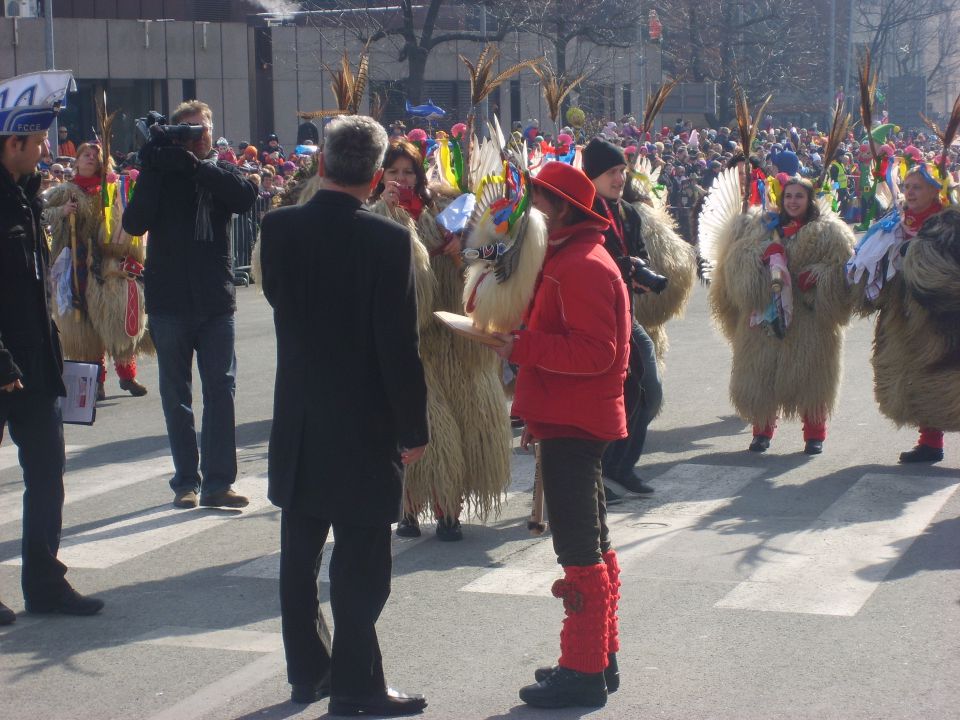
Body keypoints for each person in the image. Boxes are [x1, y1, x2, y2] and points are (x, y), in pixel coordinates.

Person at [259, 115, 429, 717]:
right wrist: (414, 427)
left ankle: (309, 671)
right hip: (366, 419)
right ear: (379, 177)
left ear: (322, 165)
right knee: (362, 561)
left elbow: (280, 298)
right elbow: (398, 345)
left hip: (302, 412)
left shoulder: (278, 227)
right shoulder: (387, 241)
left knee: (299, 554)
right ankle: (356, 684)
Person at [493, 161, 630, 709]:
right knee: (592, 543)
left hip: (579, 420)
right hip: (568, 418)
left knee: (578, 550)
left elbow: (598, 354)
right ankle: (598, 657)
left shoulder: (580, 265)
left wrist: (521, 348)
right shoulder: (568, 257)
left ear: (563, 209)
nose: (530, 212)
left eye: (539, 202)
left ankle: (582, 670)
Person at [0, 71, 103, 624]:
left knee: (46, 474)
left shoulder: (24, 197)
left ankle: (44, 581)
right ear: (12, 142)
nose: (47, 151)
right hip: (2, 366)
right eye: (38, 142)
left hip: (36, 366)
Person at [369, 139, 511, 541]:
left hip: (456, 340)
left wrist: (457, 251)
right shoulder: (374, 218)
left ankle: (450, 509)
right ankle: (409, 508)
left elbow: (490, 258)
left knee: (466, 426)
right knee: (425, 427)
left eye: (408, 172)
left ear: (419, 175)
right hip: (414, 345)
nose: (401, 179)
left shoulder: (446, 210)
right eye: (393, 171)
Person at [122, 99, 257, 509]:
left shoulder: (221, 170)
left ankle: (219, 483)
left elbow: (244, 197)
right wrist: (155, 167)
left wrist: (198, 167)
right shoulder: (160, 173)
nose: (196, 137)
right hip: (169, 302)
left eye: (201, 130)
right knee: (175, 395)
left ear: (212, 133)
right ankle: (186, 481)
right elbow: (134, 223)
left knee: (221, 390)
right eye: (186, 131)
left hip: (215, 301)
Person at [709, 175, 856, 453]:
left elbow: (845, 270)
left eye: (799, 196)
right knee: (762, 377)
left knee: (812, 378)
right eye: (788, 196)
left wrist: (819, 278)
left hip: (810, 320)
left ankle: (815, 434)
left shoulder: (830, 234)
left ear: (810, 199)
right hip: (765, 318)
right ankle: (762, 431)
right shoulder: (762, 229)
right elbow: (736, 265)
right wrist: (764, 254)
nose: (793, 201)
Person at [847, 163, 959, 463]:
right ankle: (930, 441)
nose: (909, 192)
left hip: (942, 318)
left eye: (917, 187)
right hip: (902, 311)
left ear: (936, 191)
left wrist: (919, 257)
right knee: (916, 373)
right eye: (907, 187)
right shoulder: (896, 222)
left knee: (950, 376)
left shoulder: (950, 225)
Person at [581, 138, 664, 499]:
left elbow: (640, 254)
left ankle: (621, 465)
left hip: (626, 315)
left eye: (622, 171)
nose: (619, 179)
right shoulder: (581, 212)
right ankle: (594, 475)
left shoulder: (628, 212)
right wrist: (619, 269)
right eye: (612, 172)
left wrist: (639, 275)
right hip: (594, 319)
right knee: (601, 400)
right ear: (593, 175)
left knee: (647, 391)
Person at [44, 142, 150, 399]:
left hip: (111, 263)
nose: (91, 159)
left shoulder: (113, 189)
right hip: (80, 266)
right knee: (88, 325)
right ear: (77, 161)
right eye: (86, 155)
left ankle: (127, 375)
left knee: (120, 318)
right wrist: (63, 211)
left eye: (96, 156)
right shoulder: (65, 191)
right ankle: (97, 381)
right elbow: (41, 214)